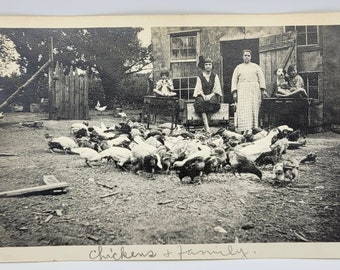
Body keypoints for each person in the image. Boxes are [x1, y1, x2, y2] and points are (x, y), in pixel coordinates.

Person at [231, 49, 267, 133]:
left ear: (251, 57)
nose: (247, 57)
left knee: (254, 107)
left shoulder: (256, 67)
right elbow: (234, 80)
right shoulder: (238, 67)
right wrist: (234, 92)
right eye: (245, 55)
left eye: (248, 55)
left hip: (254, 90)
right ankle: (244, 128)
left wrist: (262, 90)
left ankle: (254, 127)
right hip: (242, 89)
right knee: (243, 108)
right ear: (242, 57)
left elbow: (261, 78)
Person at [193, 57, 222, 133]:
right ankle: (207, 127)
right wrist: (203, 95)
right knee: (201, 102)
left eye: (209, 64)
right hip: (202, 96)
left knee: (212, 102)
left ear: (212, 66)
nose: (208, 66)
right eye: (206, 64)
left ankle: (207, 127)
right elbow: (198, 89)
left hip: (212, 96)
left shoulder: (215, 76)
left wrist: (210, 96)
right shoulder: (200, 77)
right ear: (204, 66)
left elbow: (216, 89)